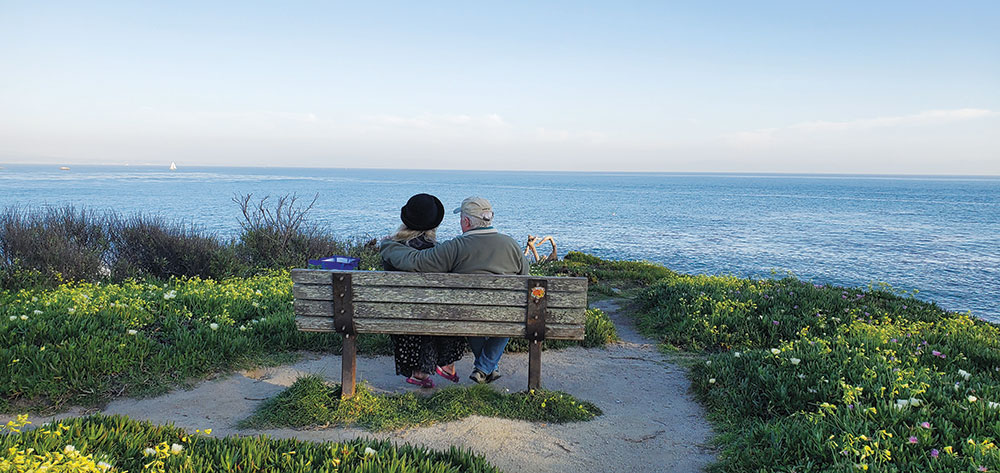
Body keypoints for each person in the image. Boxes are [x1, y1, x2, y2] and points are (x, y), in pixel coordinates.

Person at [380, 196, 529, 384]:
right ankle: (486, 367)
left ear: (466, 221)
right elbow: (526, 277)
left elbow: (416, 262)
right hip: (505, 317)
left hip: (467, 315)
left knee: (468, 313)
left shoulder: (455, 247)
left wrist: (388, 246)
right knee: (510, 318)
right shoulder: (512, 245)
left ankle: (486, 367)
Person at [383, 193, 466, 388]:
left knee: (413, 309)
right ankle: (446, 364)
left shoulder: (391, 249)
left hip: (397, 315)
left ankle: (418, 372)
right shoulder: (438, 252)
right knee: (439, 309)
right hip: (434, 316)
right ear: (433, 225)